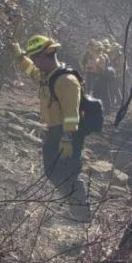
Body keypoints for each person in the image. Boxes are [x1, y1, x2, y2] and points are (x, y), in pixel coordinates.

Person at [18, 34, 91, 222]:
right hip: (54, 131)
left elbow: (71, 114)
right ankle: (75, 207)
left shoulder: (66, 81)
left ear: (46, 55)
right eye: (32, 58)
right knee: (52, 171)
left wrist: (67, 139)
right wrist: (19, 56)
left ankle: (81, 215)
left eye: (36, 58)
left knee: (68, 173)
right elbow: (32, 72)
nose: (34, 62)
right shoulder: (47, 76)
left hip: (68, 133)